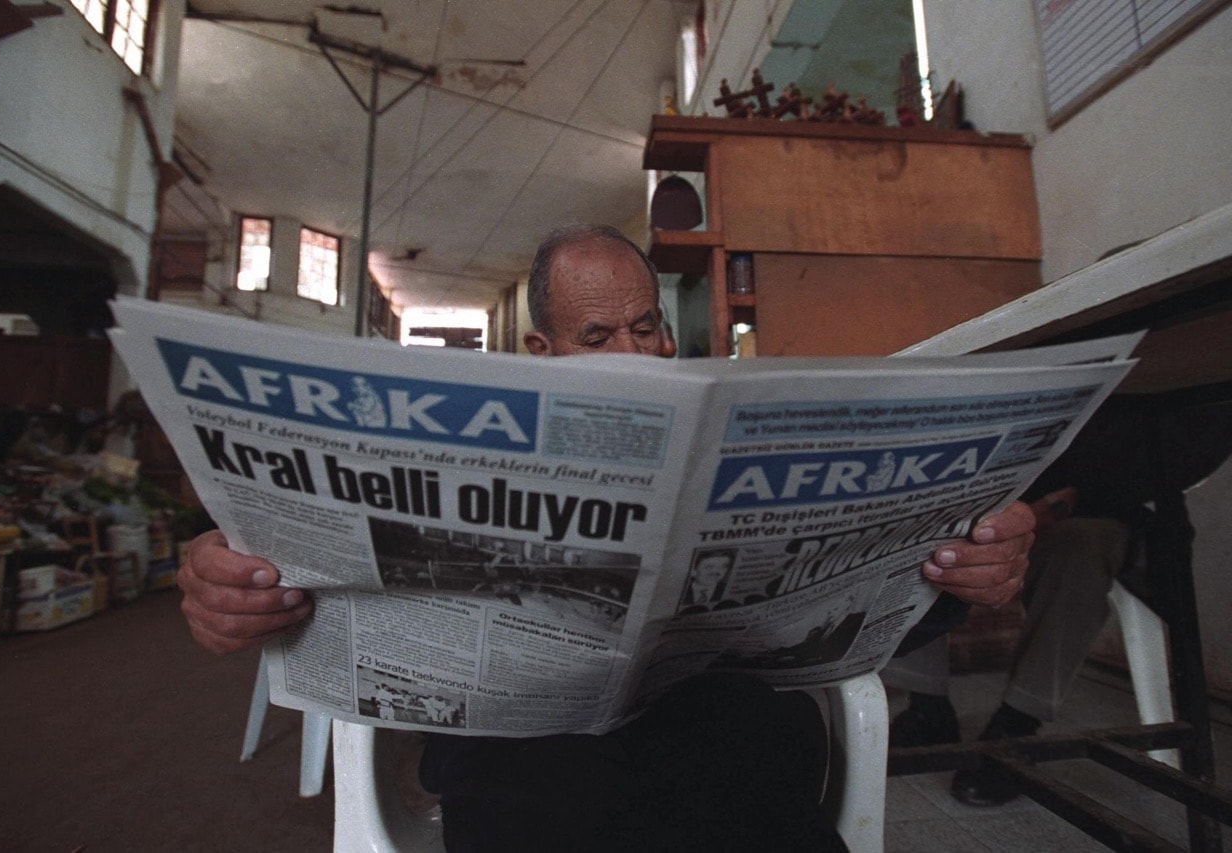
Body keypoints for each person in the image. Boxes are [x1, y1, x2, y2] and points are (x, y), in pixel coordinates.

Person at [178, 224, 1037, 851]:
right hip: (534, 805)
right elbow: (306, 581)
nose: (633, 353)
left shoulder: (728, 432)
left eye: (646, 327)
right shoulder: (464, 457)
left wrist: (972, 563)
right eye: (597, 337)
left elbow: (869, 607)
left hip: (742, 794)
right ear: (542, 349)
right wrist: (234, 579)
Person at [883, 397, 1232, 808]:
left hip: (1111, 514)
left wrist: (1067, 500)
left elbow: (1173, 460)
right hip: (1021, 502)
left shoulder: (1190, 365)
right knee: (927, 535)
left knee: (1078, 544)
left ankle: (1016, 724)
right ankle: (928, 707)